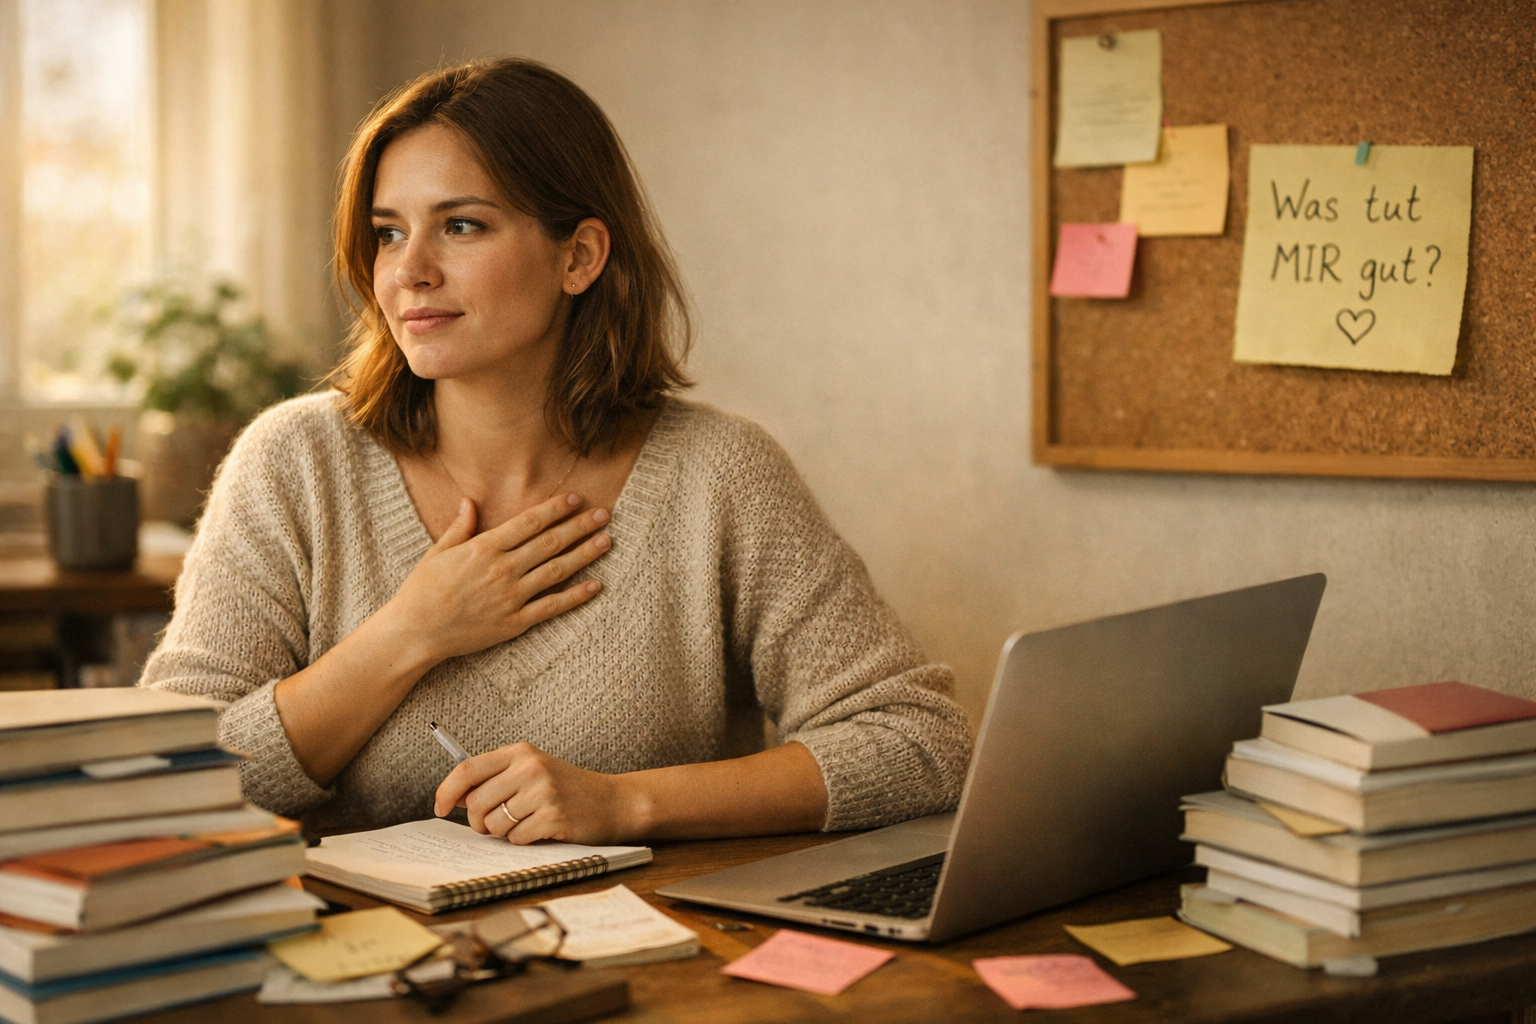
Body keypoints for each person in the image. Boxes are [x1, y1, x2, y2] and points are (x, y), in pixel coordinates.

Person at [141, 58, 972, 845]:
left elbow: (921, 744)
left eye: (460, 225)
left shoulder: (719, 475)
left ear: (578, 257)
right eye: (389, 233)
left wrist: (627, 802)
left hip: (662, 969)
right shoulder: (295, 464)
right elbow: (165, 775)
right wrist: (409, 633)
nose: (409, 272)